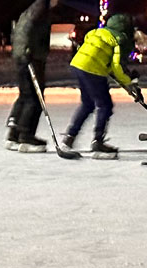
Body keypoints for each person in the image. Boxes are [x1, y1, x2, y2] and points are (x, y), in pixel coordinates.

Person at [61, 11, 142, 158]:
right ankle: (98, 142)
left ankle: (69, 137)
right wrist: (130, 83)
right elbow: (118, 67)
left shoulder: (101, 32)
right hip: (93, 68)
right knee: (105, 105)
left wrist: (125, 80)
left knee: (88, 104)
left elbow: (101, 54)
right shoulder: (122, 40)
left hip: (78, 64)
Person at [6, 0, 61, 152]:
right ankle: (26, 136)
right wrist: (27, 51)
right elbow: (25, 33)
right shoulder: (38, 13)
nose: (57, 0)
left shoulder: (34, 11)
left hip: (27, 58)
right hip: (30, 59)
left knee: (26, 96)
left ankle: (14, 133)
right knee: (33, 98)